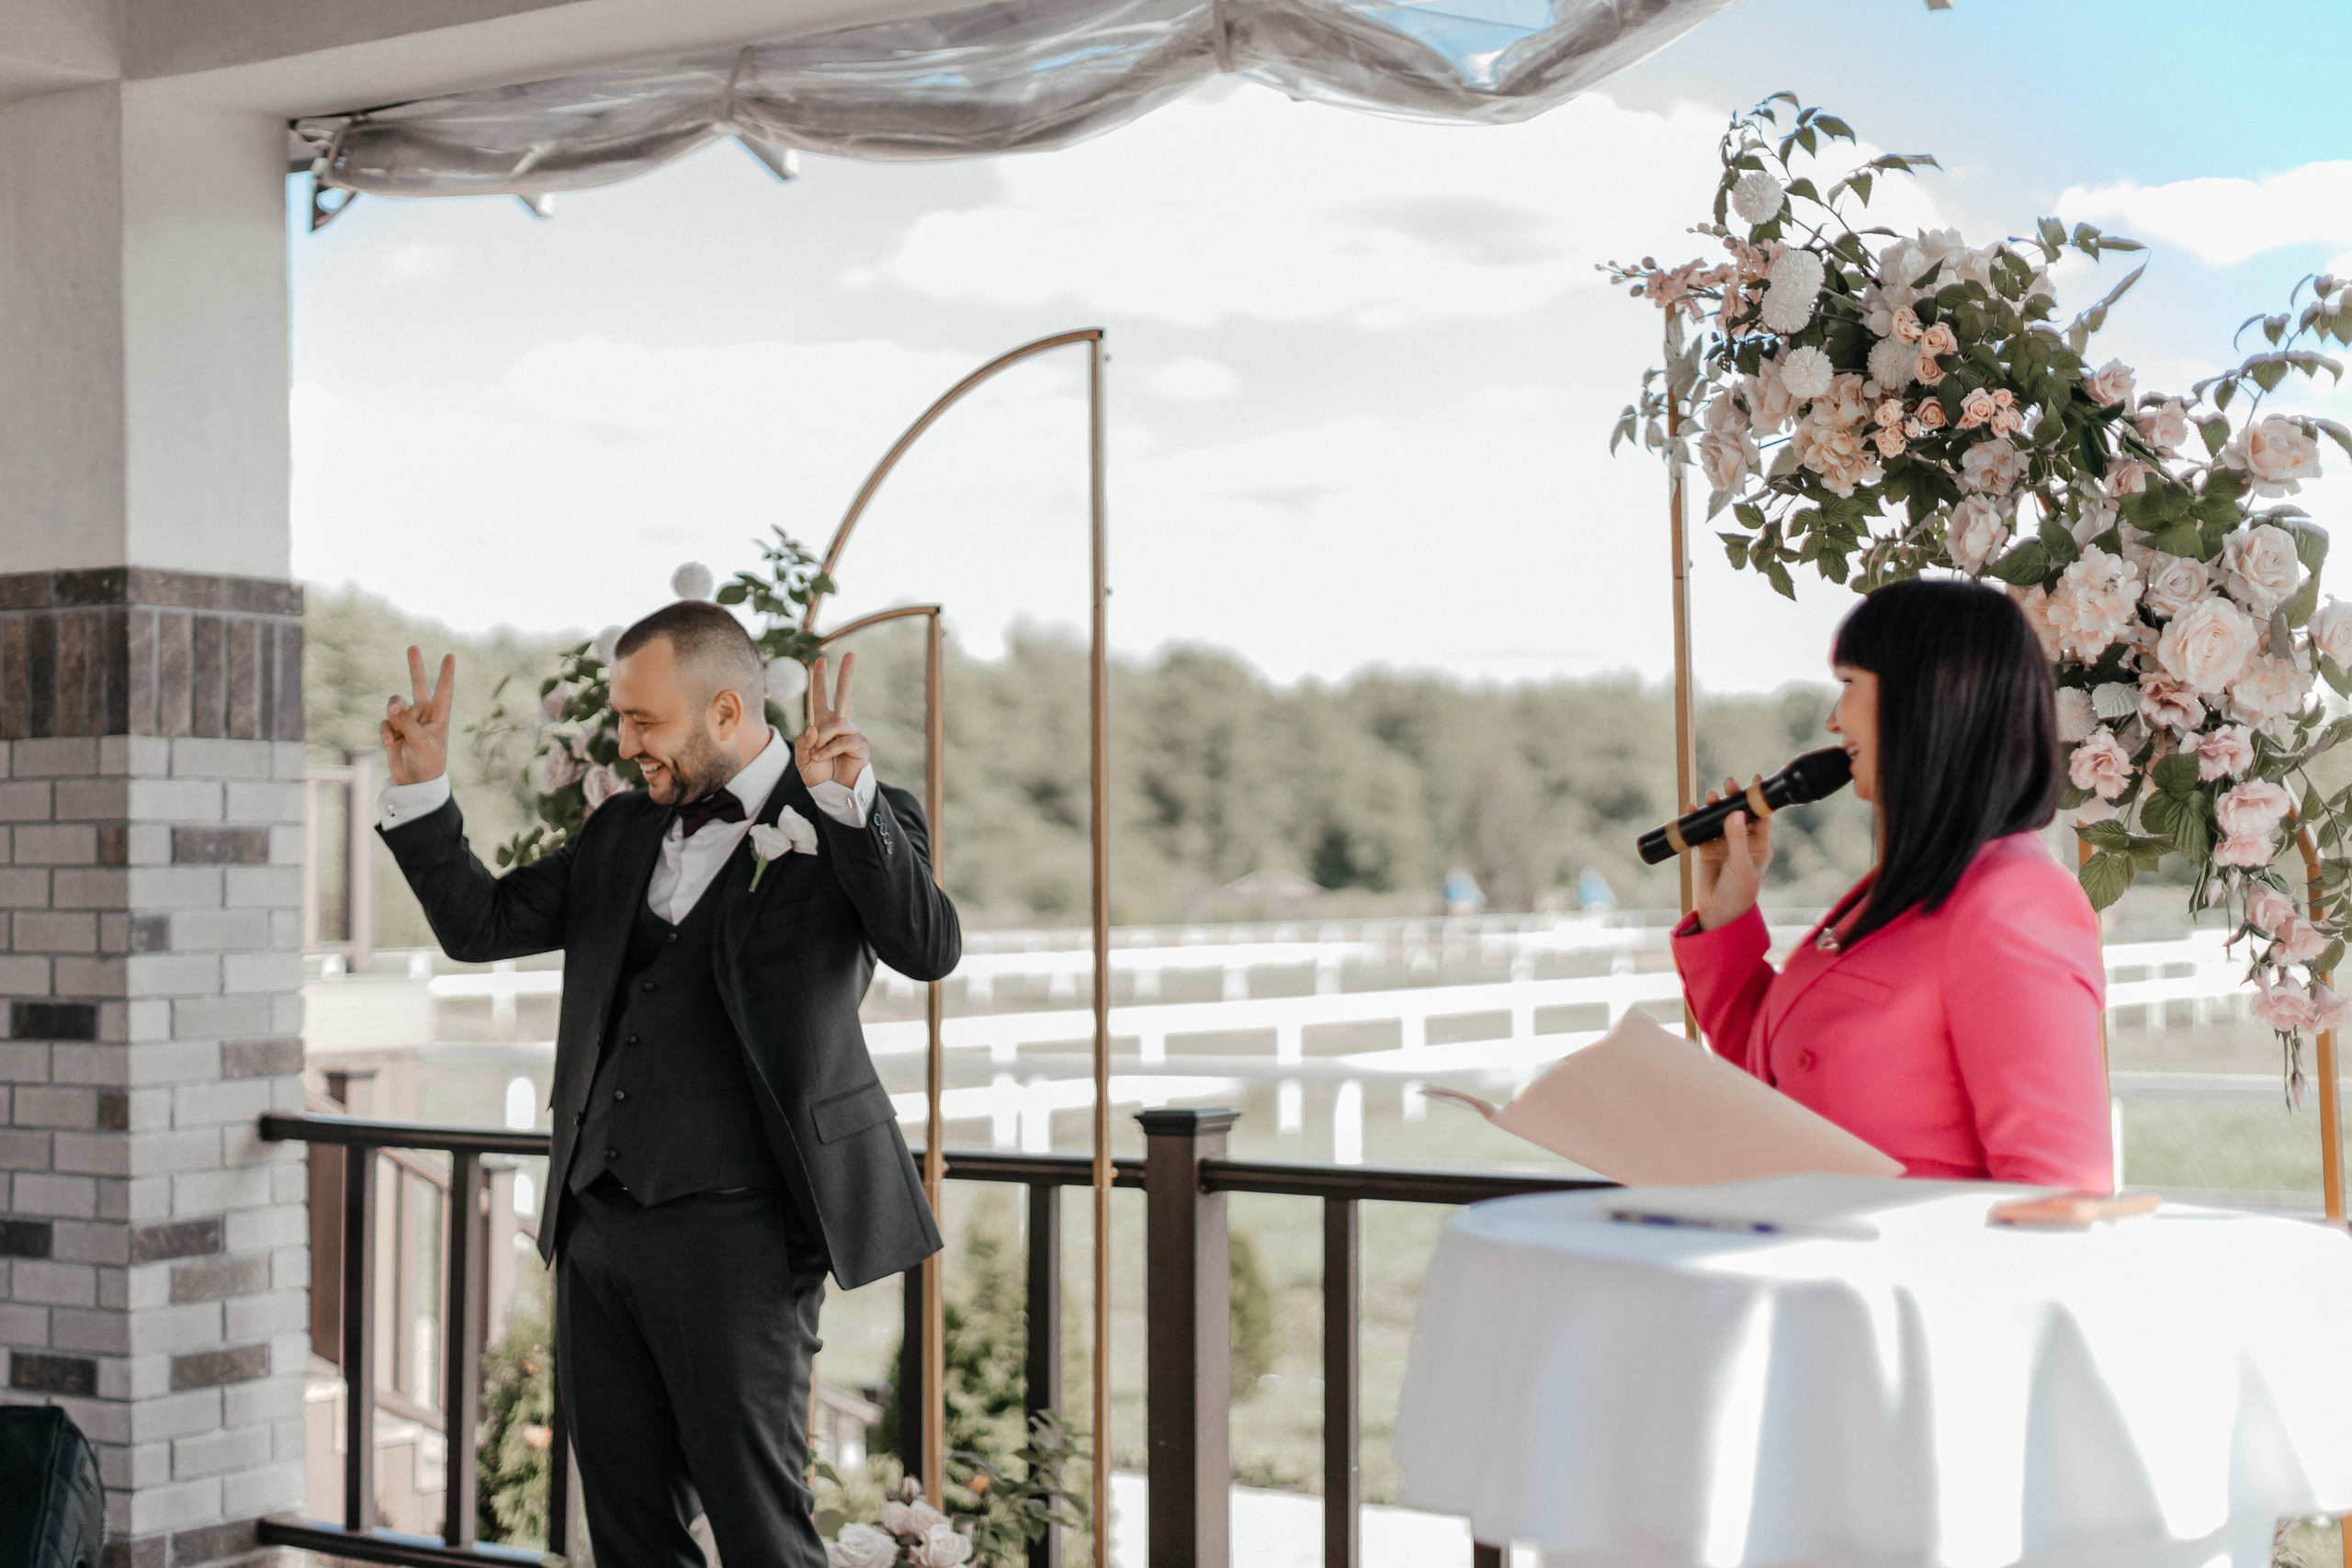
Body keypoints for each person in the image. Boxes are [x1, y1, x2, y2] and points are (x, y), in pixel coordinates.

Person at [375, 601, 958, 1568]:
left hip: (745, 1241)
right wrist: (424, 790)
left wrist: (847, 806)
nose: (624, 742)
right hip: (597, 1228)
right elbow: (481, 925)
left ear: (725, 711)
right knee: (630, 1535)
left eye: (644, 721)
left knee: (762, 1535)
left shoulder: (851, 814)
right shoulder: (619, 828)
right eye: (620, 718)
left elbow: (928, 947)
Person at [1672, 577, 2111, 1191]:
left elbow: (2057, 1186)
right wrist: (1728, 916)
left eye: (1849, 683)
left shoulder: (2014, 902)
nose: (1833, 720)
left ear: (1923, 697)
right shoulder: (1899, 888)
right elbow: (1778, 1078)